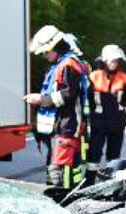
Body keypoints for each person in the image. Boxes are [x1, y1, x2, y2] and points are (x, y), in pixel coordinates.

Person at [24, 24, 89, 192]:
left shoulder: (67, 65)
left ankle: (63, 197)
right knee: (63, 166)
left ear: (55, 47)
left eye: (46, 52)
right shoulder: (60, 64)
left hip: (67, 125)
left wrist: (41, 100)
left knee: (59, 169)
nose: (45, 55)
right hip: (61, 124)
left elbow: (68, 95)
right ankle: (67, 193)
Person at [88, 44, 126, 164]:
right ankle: (90, 179)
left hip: (117, 122)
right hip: (98, 122)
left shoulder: (124, 78)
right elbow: (88, 100)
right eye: (112, 61)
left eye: (117, 61)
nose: (114, 63)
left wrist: (123, 118)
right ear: (104, 61)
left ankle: (112, 179)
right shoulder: (94, 77)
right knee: (94, 153)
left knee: (114, 155)